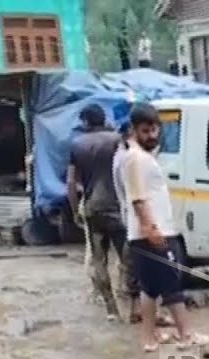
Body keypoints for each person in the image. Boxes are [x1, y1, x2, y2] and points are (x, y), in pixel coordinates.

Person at [118, 102, 208, 351]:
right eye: (146, 131)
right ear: (134, 130)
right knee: (171, 283)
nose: (153, 135)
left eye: (155, 129)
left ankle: (149, 338)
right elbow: (137, 197)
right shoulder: (135, 159)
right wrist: (151, 227)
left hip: (144, 233)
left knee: (150, 287)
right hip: (151, 233)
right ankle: (186, 333)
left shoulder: (139, 157)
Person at [67, 104, 137, 322]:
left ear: (85, 122)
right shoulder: (117, 140)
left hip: (92, 209)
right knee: (128, 258)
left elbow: (71, 182)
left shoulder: (77, 145)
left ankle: (111, 310)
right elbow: (130, 170)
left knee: (99, 260)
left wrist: (74, 211)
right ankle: (133, 308)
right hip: (118, 208)